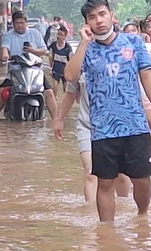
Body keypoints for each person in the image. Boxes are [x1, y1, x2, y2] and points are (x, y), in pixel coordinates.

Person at [64, 0, 151, 222]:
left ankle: (142, 217)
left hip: (135, 123)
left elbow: (147, 78)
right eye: (92, 17)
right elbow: (70, 76)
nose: (98, 20)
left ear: (111, 15)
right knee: (105, 182)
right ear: (86, 23)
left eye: (102, 14)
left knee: (142, 178)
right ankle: (107, 232)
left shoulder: (134, 42)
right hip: (102, 128)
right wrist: (83, 43)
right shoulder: (86, 50)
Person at [54, 73, 132, 203]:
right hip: (88, 127)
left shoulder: (117, 57)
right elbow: (70, 93)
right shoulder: (80, 62)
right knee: (91, 172)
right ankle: (91, 214)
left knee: (121, 175)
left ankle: (124, 208)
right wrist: (59, 119)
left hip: (117, 126)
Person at [0, 11, 58, 121]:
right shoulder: (8, 36)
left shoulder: (35, 34)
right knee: (1, 92)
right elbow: (5, 49)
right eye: (17, 23)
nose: (19, 25)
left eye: (22, 23)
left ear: (26, 23)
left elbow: (44, 50)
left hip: (35, 71)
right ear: (13, 24)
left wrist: (33, 50)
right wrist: (5, 56)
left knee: (49, 93)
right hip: (16, 71)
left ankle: (56, 119)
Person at [48, 26, 73, 97]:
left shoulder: (68, 48)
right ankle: (55, 104)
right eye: (58, 34)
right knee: (54, 88)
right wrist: (50, 67)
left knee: (66, 90)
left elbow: (70, 60)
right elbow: (50, 57)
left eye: (61, 35)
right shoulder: (53, 45)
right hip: (56, 69)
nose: (59, 37)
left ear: (65, 37)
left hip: (65, 70)